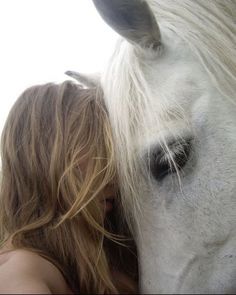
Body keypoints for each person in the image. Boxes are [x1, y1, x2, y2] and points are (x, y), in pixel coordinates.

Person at [0, 81, 138, 294]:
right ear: (44, 159)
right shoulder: (20, 273)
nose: (114, 174)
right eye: (99, 151)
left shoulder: (106, 266)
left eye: (115, 154)